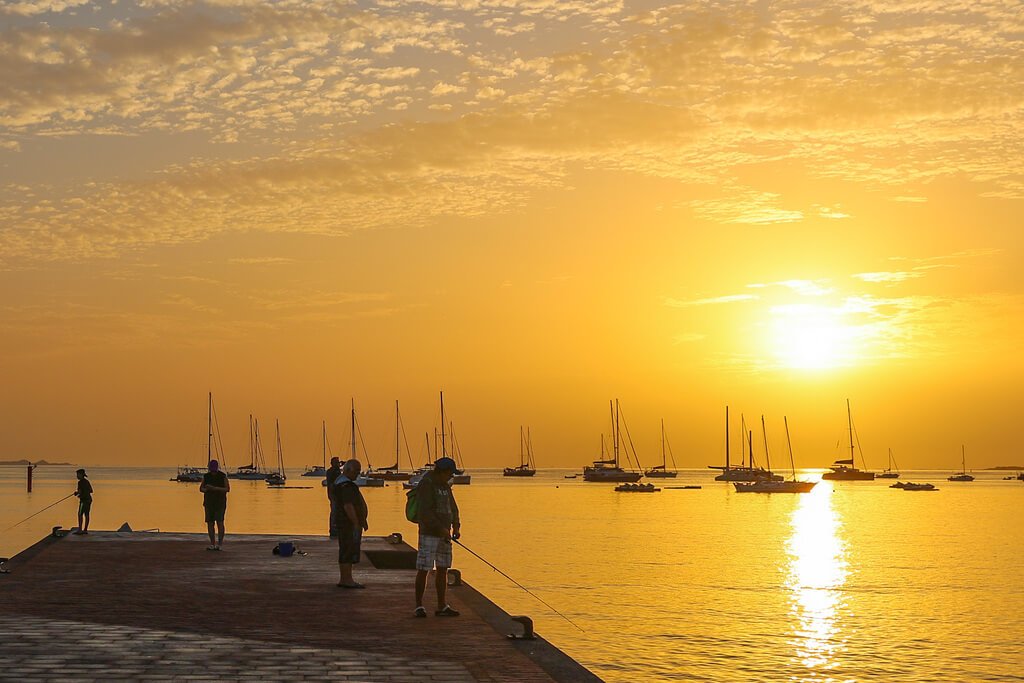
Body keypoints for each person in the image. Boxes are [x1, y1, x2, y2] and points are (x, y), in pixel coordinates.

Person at [414, 457, 461, 617]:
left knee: (443, 569)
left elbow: (453, 507)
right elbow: (425, 512)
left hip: (445, 534)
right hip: (429, 533)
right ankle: (419, 606)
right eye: (450, 473)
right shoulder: (426, 484)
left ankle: (442, 605)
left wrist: (456, 525)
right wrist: (440, 529)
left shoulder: (446, 486)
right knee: (424, 569)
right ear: (442, 471)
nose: (451, 477)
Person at [334, 459, 368, 588]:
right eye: (356, 471)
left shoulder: (340, 483)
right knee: (348, 550)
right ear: (348, 470)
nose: (358, 474)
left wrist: (363, 520)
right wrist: (355, 522)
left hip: (344, 522)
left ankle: (345, 578)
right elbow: (348, 506)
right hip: (348, 523)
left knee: (346, 550)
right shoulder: (346, 486)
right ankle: (346, 579)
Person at [200, 459, 230, 551]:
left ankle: (220, 544)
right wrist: (206, 490)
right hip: (209, 503)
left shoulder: (222, 476)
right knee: (210, 523)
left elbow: (227, 489)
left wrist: (214, 488)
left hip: (220, 503)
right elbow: (201, 488)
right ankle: (212, 543)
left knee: (220, 522)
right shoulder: (206, 476)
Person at [325, 456, 342, 538]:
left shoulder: (335, 471)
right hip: (333, 494)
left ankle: (336, 529)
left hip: (336, 494)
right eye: (336, 462)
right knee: (334, 512)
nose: (338, 464)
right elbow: (333, 483)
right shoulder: (332, 471)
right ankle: (333, 529)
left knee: (337, 512)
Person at [72, 469, 93, 535]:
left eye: (78, 474)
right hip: (89, 500)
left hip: (84, 501)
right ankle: (85, 529)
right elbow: (91, 490)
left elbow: (80, 491)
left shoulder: (80, 482)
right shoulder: (87, 481)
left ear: (81, 475)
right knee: (87, 514)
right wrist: (80, 493)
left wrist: (77, 493)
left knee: (80, 514)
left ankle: (80, 529)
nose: (77, 476)